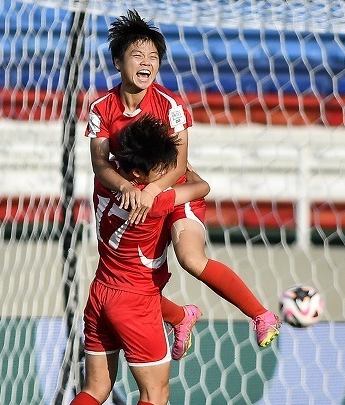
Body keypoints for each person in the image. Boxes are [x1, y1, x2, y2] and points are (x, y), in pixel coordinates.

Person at [86, 10, 280, 360]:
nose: (147, 63)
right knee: (128, 280)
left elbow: (178, 166)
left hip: (173, 190)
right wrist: (128, 189)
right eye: (137, 55)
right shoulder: (102, 108)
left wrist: (152, 190)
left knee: (191, 258)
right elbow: (100, 163)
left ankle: (261, 315)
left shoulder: (170, 105)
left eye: (154, 57)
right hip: (131, 192)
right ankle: (181, 317)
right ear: (118, 61)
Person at [43, 116, 211, 405]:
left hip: (100, 292)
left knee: (96, 387)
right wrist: (163, 183)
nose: (166, 173)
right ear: (141, 171)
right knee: (156, 391)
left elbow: (109, 163)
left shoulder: (106, 181)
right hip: (136, 303)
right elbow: (202, 186)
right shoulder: (154, 201)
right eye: (158, 168)